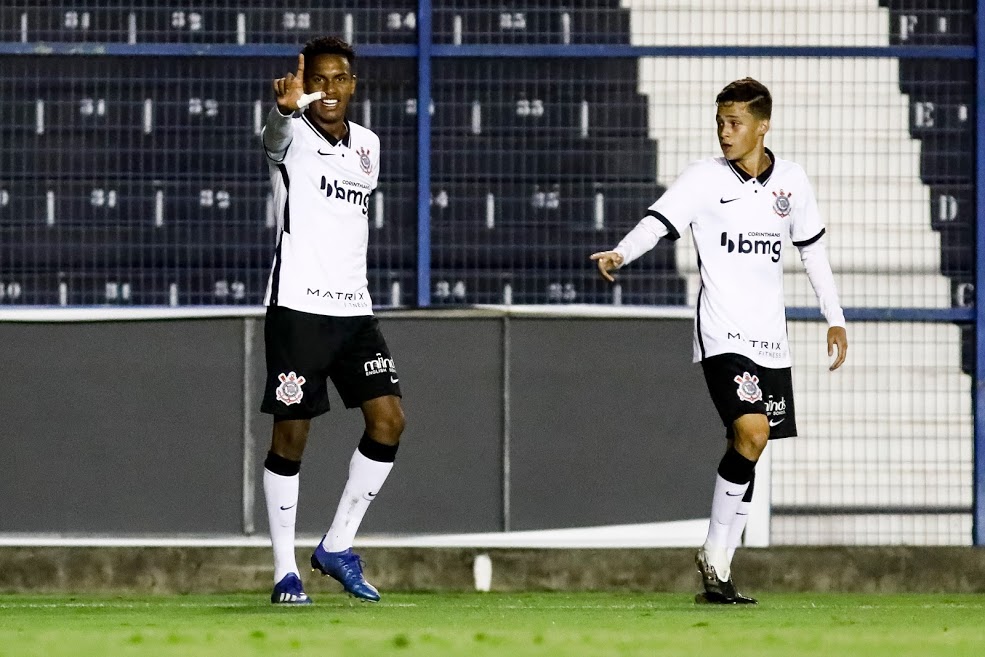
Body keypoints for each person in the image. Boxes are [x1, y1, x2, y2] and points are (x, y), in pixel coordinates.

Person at [591, 78, 848, 604]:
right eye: (720, 122)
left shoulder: (792, 183)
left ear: (762, 125)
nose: (724, 132)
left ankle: (720, 569)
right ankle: (715, 552)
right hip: (722, 332)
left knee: (750, 446)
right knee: (751, 432)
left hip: (770, 337)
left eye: (734, 123)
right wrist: (621, 252)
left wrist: (835, 318)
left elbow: (813, 253)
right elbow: (657, 222)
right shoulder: (705, 179)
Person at [259, 36, 405, 605]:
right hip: (298, 306)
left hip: (354, 311)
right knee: (292, 435)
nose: (329, 89)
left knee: (389, 421)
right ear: (305, 83)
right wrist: (281, 110)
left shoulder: (368, 145)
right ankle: (283, 571)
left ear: (351, 85)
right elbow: (272, 138)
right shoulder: (289, 132)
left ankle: (337, 546)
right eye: (318, 78)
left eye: (339, 78)